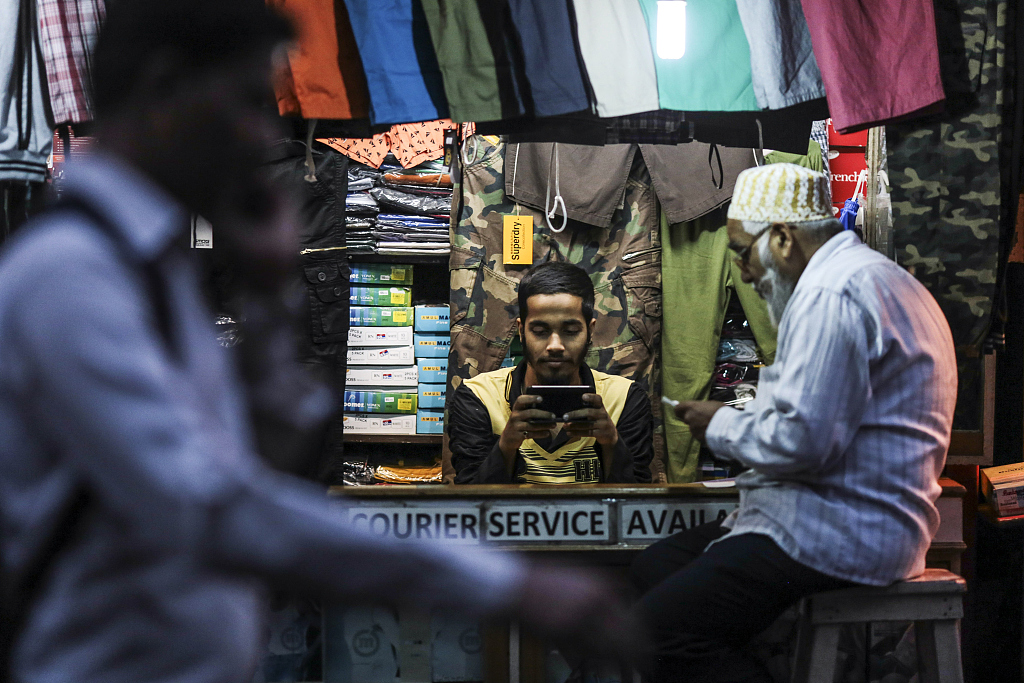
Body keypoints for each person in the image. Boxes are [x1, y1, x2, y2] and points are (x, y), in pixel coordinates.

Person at [0, 3, 635, 682]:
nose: (257, 136)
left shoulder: (151, 269)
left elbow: (253, 462)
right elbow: (211, 504)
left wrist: (274, 296)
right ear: (164, 88)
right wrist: (502, 585)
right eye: (247, 102)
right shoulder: (70, 276)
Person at [630, 164, 957, 682]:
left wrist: (718, 425)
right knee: (654, 568)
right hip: (852, 520)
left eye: (742, 251)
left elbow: (804, 441)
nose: (742, 272)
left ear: (782, 238)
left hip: (841, 532)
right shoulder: (870, 279)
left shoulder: (832, 294)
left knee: (654, 631)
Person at [448, 261, 654, 484]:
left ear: (590, 330)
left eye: (570, 331)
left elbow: (637, 504)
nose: (555, 345)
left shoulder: (624, 399)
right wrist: (506, 446)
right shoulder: (479, 397)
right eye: (540, 331)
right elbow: (469, 503)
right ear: (521, 330)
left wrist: (612, 442)